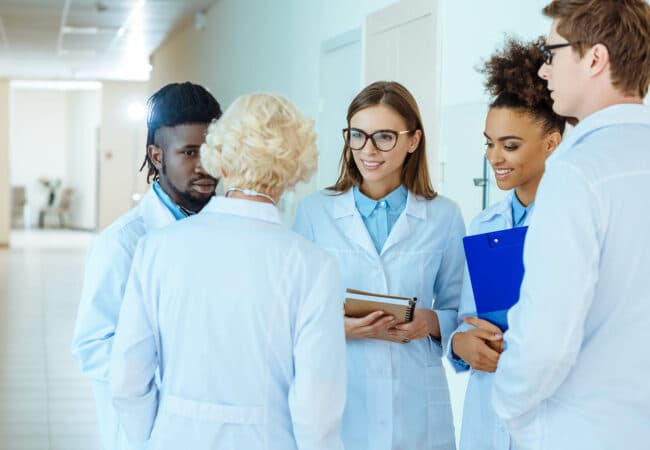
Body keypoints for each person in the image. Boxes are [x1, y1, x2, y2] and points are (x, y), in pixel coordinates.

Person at [109, 93, 347, 450]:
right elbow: (317, 409)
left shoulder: (158, 249)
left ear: (218, 155)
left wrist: (155, 436)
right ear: (298, 170)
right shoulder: (313, 266)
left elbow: (128, 380)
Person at [491, 1, 650, 449]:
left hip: (579, 432)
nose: (544, 73)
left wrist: (508, 407)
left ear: (595, 58)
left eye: (552, 54)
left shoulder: (576, 173)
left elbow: (545, 343)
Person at [294, 81, 465, 449]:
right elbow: (294, 313)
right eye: (358, 135)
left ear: (413, 141)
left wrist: (429, 322)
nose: (368, 150)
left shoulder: (444, 216)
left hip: (416, 405)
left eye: (384, 137)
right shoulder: (315, 212)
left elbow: (459, 308)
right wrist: (341, 327)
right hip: (341, 401)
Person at [72, 82, 222, 450]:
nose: (206, 166)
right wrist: (173, 373)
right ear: (157, 156)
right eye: (189, 152)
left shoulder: (229, 228)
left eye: (215, 151)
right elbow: (92, 346)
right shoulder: (122, 243)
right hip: (150, 428)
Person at [446, 37, 566, 450]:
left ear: (551, 143)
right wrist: (460, 346)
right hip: (487, 416)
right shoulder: (483, 225)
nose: (494, 157)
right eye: (489, 142)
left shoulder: (573, 219)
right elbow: (467, 320)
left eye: (510, 145)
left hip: (548, 418)